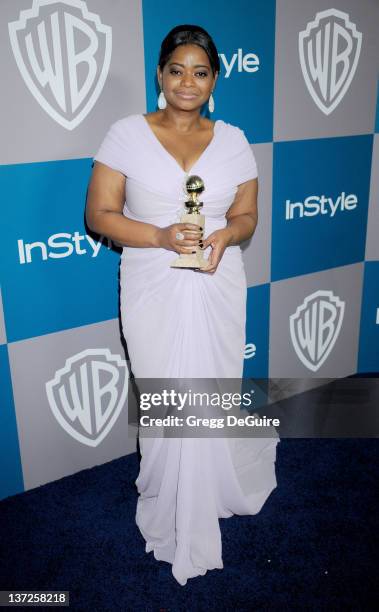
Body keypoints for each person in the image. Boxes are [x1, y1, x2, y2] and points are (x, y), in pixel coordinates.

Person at [86, 24, 279, 586]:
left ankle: (210, 484)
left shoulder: (235, 140)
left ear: (214, 78)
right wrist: (162, 236)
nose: (187, 82)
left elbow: (246, 218)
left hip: (217, 280)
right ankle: (169, 495)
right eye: (177, 70)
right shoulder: (126, 134)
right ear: (160, 76)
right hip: (152, 279)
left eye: (200, 71)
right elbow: (100, 215)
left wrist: (223, 237)